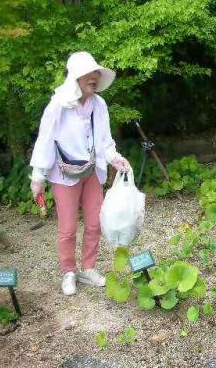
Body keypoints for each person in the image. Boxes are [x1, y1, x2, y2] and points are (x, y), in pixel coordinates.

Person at [29, 51, 131, 296]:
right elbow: (44, 140)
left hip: (91, 171)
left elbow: (105, 141)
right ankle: (68, 272)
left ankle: (88, 268)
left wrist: (116, 159)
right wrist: (38, 177)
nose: (93, 78)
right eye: (88, 73)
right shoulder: (58, 105)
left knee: (95, 222)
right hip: (63, 173)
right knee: (67, 227)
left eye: (96, 73)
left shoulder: (99, 104)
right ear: (75, 77)